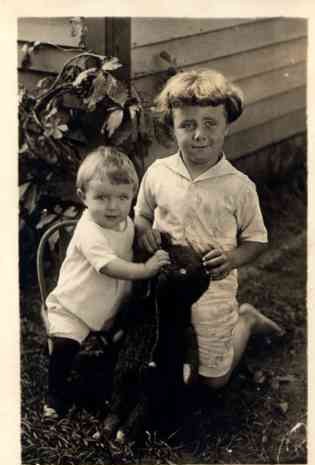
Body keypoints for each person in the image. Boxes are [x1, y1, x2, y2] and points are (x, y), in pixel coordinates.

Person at [134, 69, 284, 391]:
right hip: (165, 283)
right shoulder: (158, 173)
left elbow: (256, 240)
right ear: (172, 128)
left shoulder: (238, 187)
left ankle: (246, 320)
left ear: (227, 126)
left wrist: (231, 258)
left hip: (213, 287)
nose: (199, 134)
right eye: (187, 124)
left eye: (210, 124)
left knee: (213, 382)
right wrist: (143, 230)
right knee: (158, 359)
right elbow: (142, 214)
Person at [44, 146, 170, 417]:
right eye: (101, 197)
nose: (112, 206)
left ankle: (100, 390)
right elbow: (111, 267)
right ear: (83, 197)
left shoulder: (126, 222)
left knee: (109, 356)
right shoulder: (89, 229)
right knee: (65, 348)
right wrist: (146, 269)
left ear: (132, 197)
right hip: (73, 307)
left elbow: (137, 231)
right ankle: (54, 398)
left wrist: (147, 234)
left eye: (122, 197)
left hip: (105, 309)